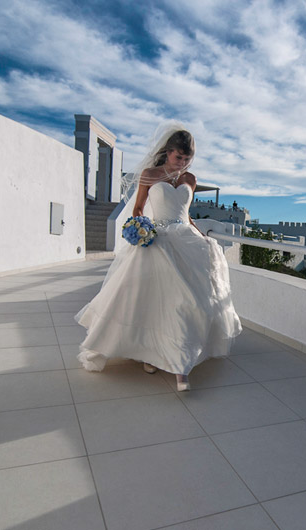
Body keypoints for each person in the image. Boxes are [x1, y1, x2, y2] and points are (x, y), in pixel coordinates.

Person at [75, 122, 242, 391]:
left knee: (186, 302)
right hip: (157, 240)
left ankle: (178, 360)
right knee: (149, 300)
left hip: (186, 241)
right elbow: (139, 208)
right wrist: (141, 230)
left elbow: (185, 214)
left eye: (188, 159)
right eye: (179, 158)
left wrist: (201, 236)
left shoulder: (190, 179)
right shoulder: (150, 174)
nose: (183, 164)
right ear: (168, 152)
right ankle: (149, 353)